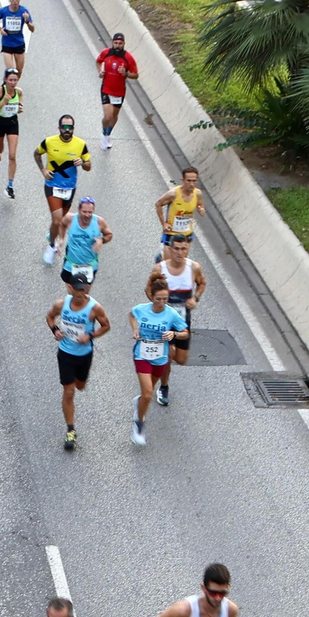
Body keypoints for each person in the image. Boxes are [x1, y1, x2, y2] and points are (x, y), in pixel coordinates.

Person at [46, 273, 111, 450]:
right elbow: (50, 317)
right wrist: (55, 330)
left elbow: (106, 326)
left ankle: (77, 381)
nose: (80, 292)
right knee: (69, 392)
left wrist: (90, 335)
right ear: (70, 288)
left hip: (84, 355)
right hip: (65, 353)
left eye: (84, 289)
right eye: (77, 289)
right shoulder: (62, 304)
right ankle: (70, 430)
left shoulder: (94, 308)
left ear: (88, 288)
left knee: (80, 386)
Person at [128, 275, 188, 445]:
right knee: (147, 393)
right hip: (142, 354)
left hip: (161, 358)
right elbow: (132, 315)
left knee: (148, 393)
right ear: (151, 297)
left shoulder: (171, 314)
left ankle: (140, 403)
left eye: (165, 299)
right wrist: (135, 329)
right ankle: (139, 424)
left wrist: (174, 334)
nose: (162, 302)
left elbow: (185, 332)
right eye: (158, 299)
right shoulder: (142, 309)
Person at [148, 233, 205, 406]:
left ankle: (160, 369)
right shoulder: (160, 269)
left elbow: (202, 283)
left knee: (181, 359)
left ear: (187, 249)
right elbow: (149, 292)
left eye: (184, 249)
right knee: (169, 355)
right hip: (164, 321)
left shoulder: (193, 268)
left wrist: (195, 298)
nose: (180, 253)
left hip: (182, 320)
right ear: (170, 250)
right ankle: (163, 386)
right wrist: (156, 299)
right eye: (177, 249)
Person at [34, 115, 90, 254]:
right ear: (59, 128)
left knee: (60, 219)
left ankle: (52, 233)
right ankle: (51, 245)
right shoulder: (49, 142)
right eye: (64, 127)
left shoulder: (80, 144)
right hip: (52, 185)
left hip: (69, 187)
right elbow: (36, 154)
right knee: (57, 220)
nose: (67, 130)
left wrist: (82, 163)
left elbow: (89, 166)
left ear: (73, 129)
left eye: (69, 127)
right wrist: (43, 170)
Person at [52, 196, 112, 292]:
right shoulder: (70, 219)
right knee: (72, 293)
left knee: (84, 295)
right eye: (84, 212)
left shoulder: (99, 222)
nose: (87, 215)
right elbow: (61, 224)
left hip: (89, 265)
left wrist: (102, 240)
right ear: (79, 209)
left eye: (90, 212)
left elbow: (109, 234)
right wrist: (61, 239)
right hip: (70, 264)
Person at [96, 32, 138, 149]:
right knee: (107, 117)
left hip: (119, 92)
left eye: (120, 43)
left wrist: (126, 74)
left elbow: (135, 75)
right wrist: (100, 71)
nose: (117, 45)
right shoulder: (106, 53)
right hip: (106, 89)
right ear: (112, 43)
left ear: (124, 44)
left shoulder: (128, 58)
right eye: (115, 43)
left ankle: (108, 133)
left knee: (114, 116)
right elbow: (98, 61)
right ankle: (104, 134)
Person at [0, 68, 22, 197]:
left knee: (12, 155)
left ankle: (10, 186)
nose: (13, 82)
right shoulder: (0, 91)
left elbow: (20, 104)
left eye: (15, 80)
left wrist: (19, 108)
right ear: (5, 80)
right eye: (10, 80)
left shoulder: (19, 92)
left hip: (12, 123)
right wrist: (3, 103)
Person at [154, 166, 206, 244]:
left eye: (194, 181)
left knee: (182, 256)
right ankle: (159, 256)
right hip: (172, 234)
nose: (191, 184)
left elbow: (200, 206)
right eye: (189, 181)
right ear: (183, 180)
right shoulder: (173, 194)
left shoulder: (198, 193)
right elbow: (158, 204)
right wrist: (164, 224)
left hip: (187, 234)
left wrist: (201, 210)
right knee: (167, 256)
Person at [0, 0, 34, 77]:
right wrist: (1, 29)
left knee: (19, 71)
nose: (15, 1)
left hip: (19, 43)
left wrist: (27, 21)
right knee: (11, 72)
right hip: (7, 44)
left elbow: (32, 29)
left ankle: (11, 87)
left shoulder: (24, 11)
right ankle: (6, 88)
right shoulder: (4, 11)